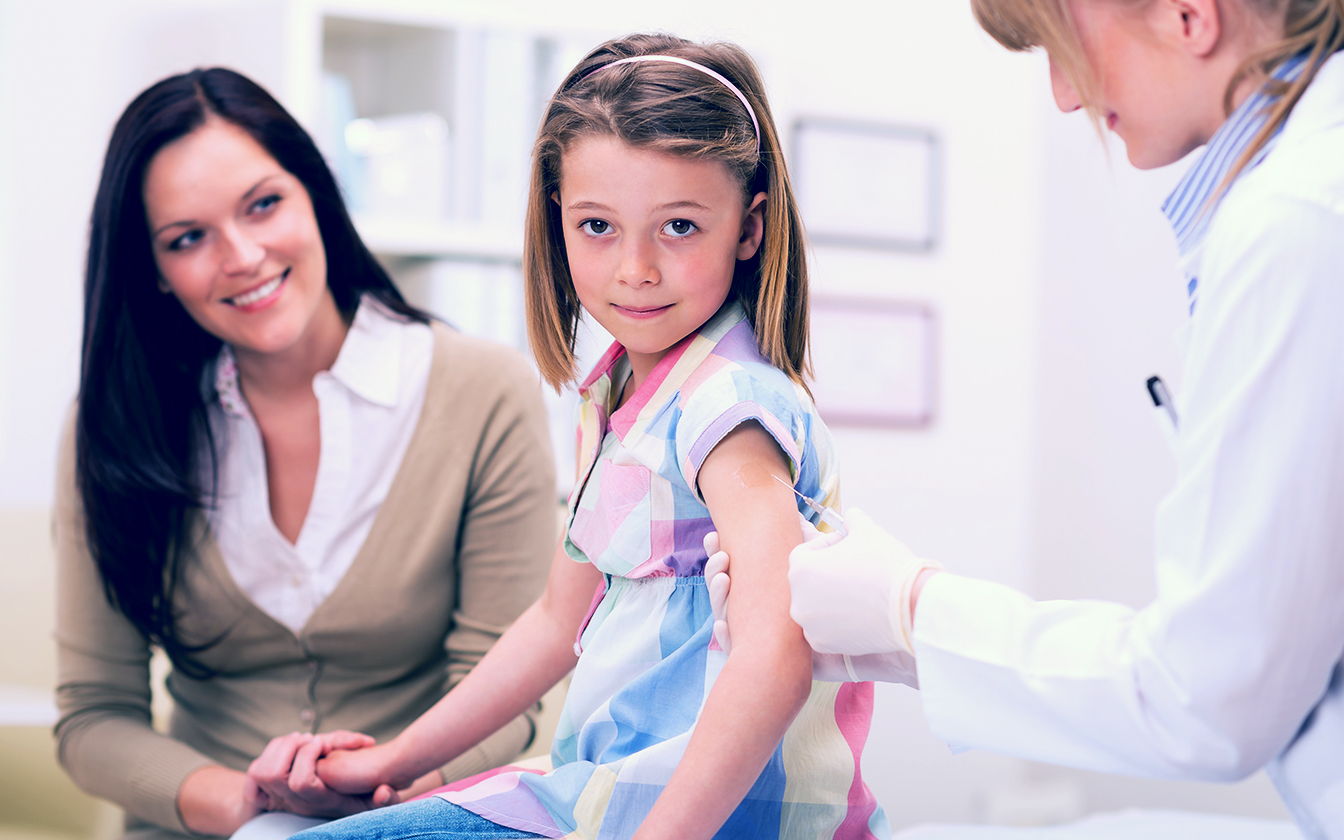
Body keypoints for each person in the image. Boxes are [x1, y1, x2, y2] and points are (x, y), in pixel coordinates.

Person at [715, 0, 1344, 836]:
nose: (1062, 97)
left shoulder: (1297, 224)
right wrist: (890, 629)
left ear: (1191, 15)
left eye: (1063, 50)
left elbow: (1210, 700)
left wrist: (911, 608)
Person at [284, 32, 889, 840]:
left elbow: (775, 655)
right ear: (556, 221)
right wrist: (391, 759)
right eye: (597, 226)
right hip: (603, 786)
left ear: (748, 229)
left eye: (678, 227)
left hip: (704, 815)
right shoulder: (615, 391)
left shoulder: (727, 410)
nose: (634, 267)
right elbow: (552, 621)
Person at [54, 67, 557, 840]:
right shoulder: (113, 428)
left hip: (419, 818)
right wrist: (247, 803)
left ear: (316, 193)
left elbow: (504, 691)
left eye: (263, 205)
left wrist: (386, 788)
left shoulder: (485, 392)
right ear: (153, 270)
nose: (243, 255)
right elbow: (93, 717)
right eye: (188, 238)